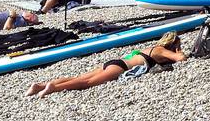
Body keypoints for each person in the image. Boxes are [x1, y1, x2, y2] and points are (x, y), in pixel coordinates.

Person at [26, 31, 186, 97]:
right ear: (171, 44)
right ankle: (54, 88)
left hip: (114, 62)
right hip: (120, 67)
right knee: (86, 83)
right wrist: (178, 51)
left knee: (79, 76)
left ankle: (41, 85)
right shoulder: (161, 51)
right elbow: (181, 59)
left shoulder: (150, 47)